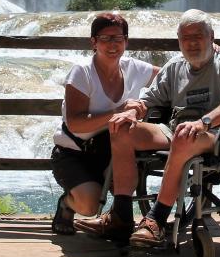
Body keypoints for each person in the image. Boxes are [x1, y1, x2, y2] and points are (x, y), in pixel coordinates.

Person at [75, 9, 220, 247]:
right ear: (179, 42)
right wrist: (132, 111)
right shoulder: (175, 66)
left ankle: (155, 221)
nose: (192, 42)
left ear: (211, 36)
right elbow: (148, 99)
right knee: (121, 128)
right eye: (185, 38)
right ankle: (121, 216)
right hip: (174, 129)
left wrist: (203, 122)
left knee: (184, 136)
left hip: (212, 132)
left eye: (198, 35)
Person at [50, 12, 158, 234]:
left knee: (126, 180)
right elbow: (75, 124)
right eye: (105, 38)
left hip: (113, 151)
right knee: (89, 206)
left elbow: (173, 76)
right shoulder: (82, 72)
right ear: (94, 42)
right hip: (75, 153)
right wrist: (118, 110)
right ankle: (67, 203)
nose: (112, 45)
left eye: (118, 39)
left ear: (126, 42)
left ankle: (116, 220)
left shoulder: (133, 68)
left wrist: (209, 48)